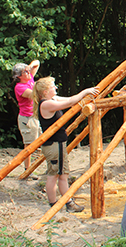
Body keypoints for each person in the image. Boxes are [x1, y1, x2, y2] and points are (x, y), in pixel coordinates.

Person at [32, 77, 100, 212]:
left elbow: (71, 98)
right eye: (53, 86)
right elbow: (70, 102)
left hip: (57, 144)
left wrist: (84, 94)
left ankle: (68, 202)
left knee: (63, 175)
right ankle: (53, 205)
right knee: (54, 175)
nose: (56, 88)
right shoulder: (45, 104)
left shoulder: (52, 100)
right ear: (45, 92)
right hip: (53, 145)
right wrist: (86, 91)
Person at [12, 59, 41, 178]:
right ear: (19, 76)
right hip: (27, 119)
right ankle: (27, 171)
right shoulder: (20, 87)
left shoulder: (29, 79)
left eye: (28, 71)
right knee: (29, 146)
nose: (29, 73)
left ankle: (34, 168)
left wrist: (28, 67)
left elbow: (37, 62)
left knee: (40, 142)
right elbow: (33, 94)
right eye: (25, 72)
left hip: (35, 117)